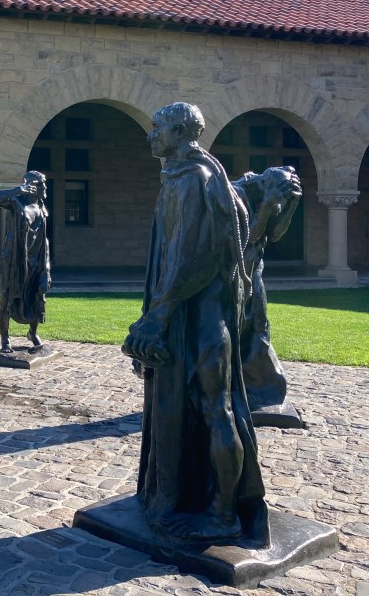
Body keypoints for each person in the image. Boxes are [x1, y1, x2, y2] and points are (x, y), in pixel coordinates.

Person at [122, 102, 269, 545]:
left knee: (215, 410)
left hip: (199, 321)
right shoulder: (193, 176)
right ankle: (184, 498)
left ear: (181, 131)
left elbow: (193, 259)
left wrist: (158, 315)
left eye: (158, 128)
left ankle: (221, 514)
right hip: (196, 316)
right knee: (210, 410)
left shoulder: (194, 181)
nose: (151, 135)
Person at [232, 166, 302, 410]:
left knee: (259, 325)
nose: (279, 203)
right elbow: (247, 238)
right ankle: (233, 387)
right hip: (232, 274)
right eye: (280, 197)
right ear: (265, 186)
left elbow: (273, 235)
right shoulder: (235, 194)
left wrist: (292, 204)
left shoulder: (272, 195)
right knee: (236, 329)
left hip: (254, 271)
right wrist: (266, 208)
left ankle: (264, 388)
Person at [0, 171, 51, 353]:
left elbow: (44, 240)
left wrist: (46, 268)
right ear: (30, 186)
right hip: (14, 261)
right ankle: (5, 339)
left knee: (38, 295)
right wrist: (17, 190)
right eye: (40, 184)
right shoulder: (16, 203)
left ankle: (32, 333)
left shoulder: (42, 207)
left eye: (44, 184)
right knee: (6, 297)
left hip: (36, 260)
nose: (44, 188)